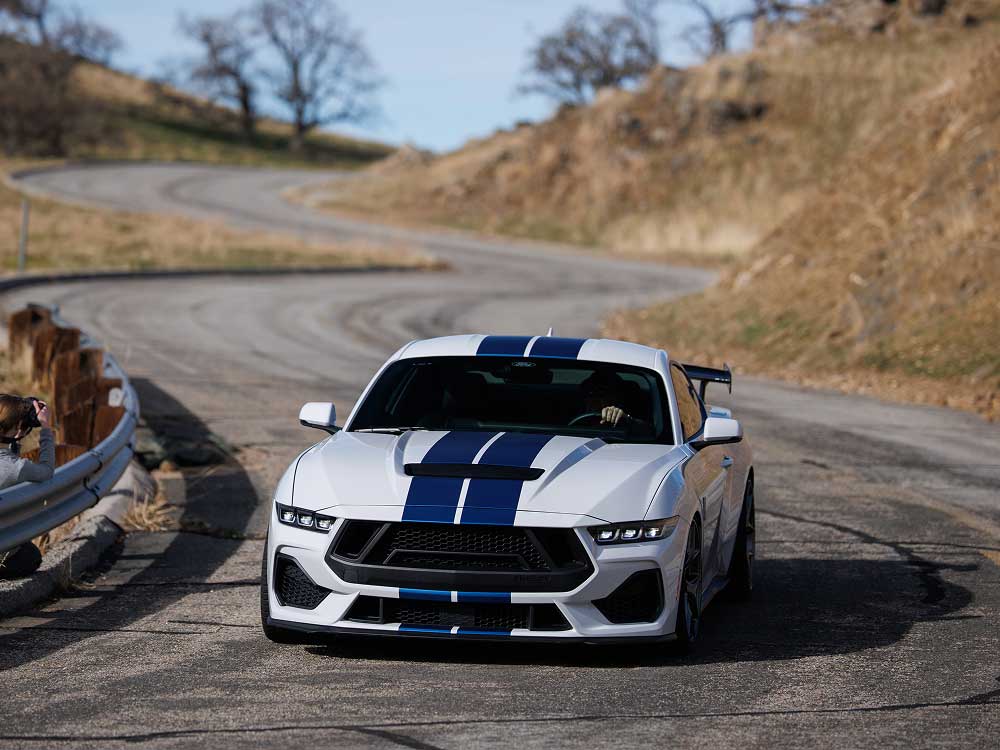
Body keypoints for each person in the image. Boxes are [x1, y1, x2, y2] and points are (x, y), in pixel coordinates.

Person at [0, 394, 53, 579]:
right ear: (17, 430)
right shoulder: (17, 468)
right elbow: (46, 471)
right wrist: (45, 427)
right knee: (31, 555)